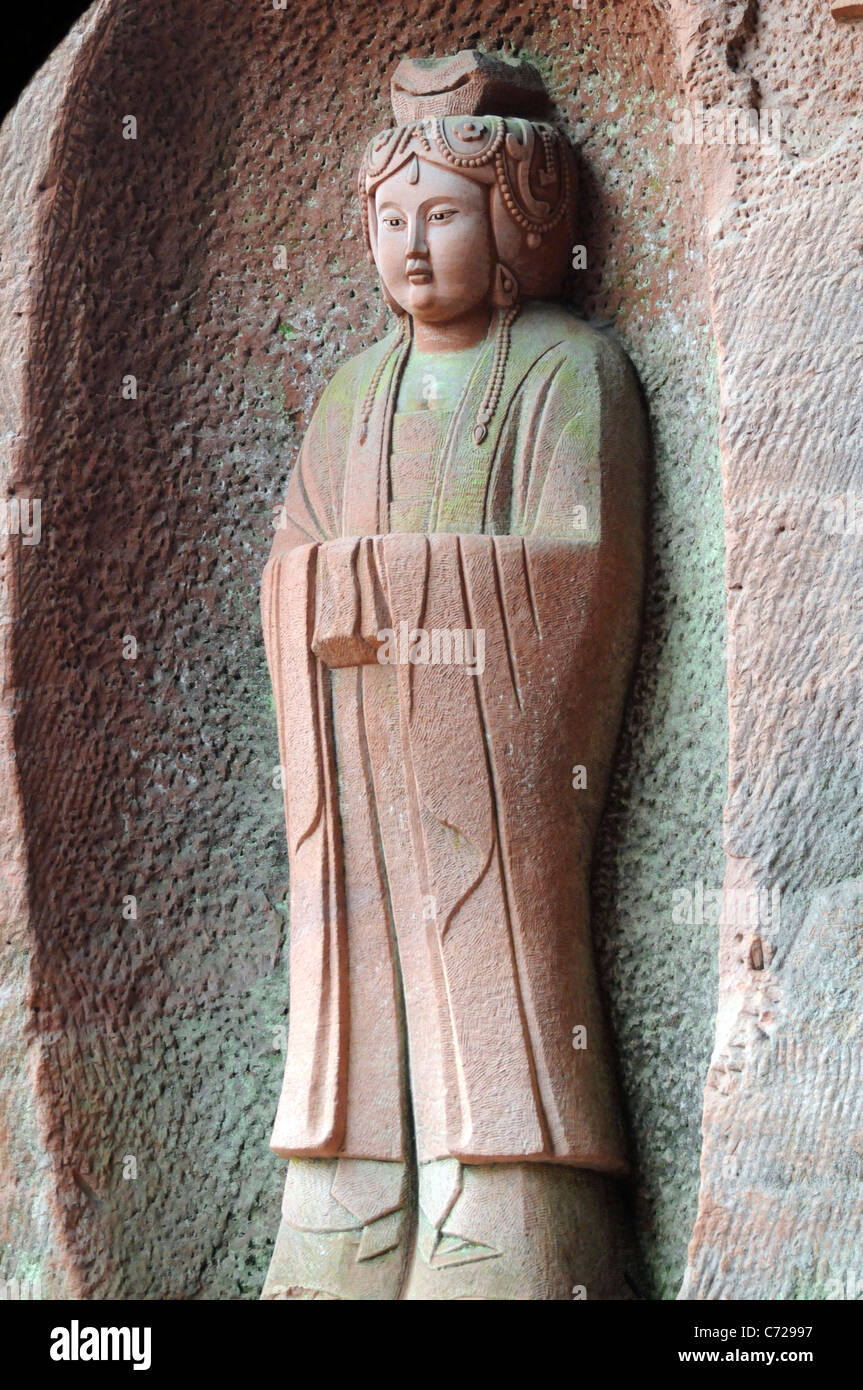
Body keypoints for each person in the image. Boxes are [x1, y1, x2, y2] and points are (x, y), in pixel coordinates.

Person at [260, 51, 647, 1300]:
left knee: (495, 952)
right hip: (361, 745)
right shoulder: (350, 397)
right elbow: (290, 570)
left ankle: (508, 1211)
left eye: (442, 216)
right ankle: (350, 1202)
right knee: (349, 962)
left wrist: (401, 591)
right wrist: (332, 593)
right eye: (389, 221)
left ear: (515, 224)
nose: (411, 249)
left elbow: (577, 579)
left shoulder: (564, 373)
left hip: (482, 753)